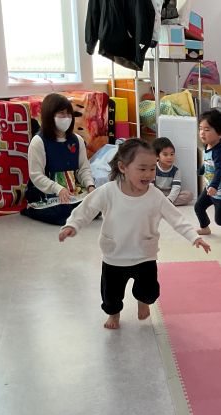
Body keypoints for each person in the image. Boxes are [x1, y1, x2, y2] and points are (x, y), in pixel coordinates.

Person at [58, 139, 211, 330]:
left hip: (144, 255)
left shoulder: (155, 195)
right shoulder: (108, 191)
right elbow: (86, 209)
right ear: (123, 167)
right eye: (142, 169)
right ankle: (114, 314)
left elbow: (176, 218)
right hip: (115, 256)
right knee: (111, 295)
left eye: (152, 169)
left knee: (149, 291)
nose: (148, 174)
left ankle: (143, 301)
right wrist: (72, 225)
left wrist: (194, 237)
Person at [22, 93, 95, 226]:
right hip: (46, 194)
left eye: (69, 114)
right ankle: (32, 210)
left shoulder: (77, 140)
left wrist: (90, 186)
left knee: (96, 204)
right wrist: (58, 189)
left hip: (73, 191)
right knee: (61, 213)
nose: (66, 118)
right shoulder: (38, 142)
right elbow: (36, 175)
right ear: (50, 115)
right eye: (61, 113)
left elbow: (83, 168)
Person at [152, 137, 193, 206]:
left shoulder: (176, 171)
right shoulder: (153, 168)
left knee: (189, 195)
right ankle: (162, 203)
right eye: (165, 154)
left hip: (170, 194)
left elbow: (176, 187)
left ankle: (164, 203)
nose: (169, 157)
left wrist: (169, 199)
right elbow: (151, 186)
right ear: (157, 156)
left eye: (172, 154)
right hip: (157, 193)